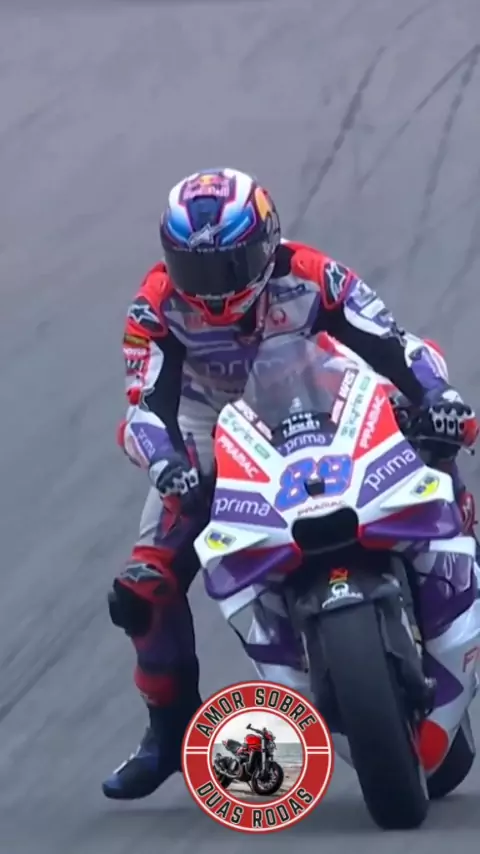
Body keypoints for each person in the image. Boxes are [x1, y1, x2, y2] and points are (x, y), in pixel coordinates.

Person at [102, 167, 478, 800]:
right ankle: (168, 734)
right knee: (145, 586)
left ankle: (463, 556)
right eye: (195, 268)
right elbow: (145, 406)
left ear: (266, 244)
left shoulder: (313, 275)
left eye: (228, 265)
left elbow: (392, 342)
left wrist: (438, 397)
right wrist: (165, 462)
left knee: (436, 431)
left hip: (322, 389)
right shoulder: (154, 307)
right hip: (209, 423)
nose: (212, 287)